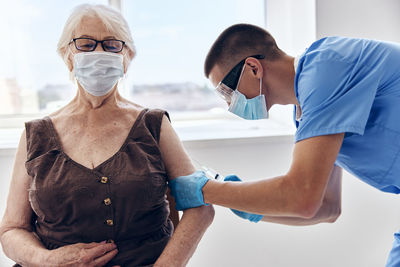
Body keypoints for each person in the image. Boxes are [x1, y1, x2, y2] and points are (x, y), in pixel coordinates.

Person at [168, 23, 400, 266]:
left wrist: (206, 190)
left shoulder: (326, 67)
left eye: (227, 92)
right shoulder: (306, 114)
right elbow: (325, 207)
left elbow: (302, 196)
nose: (229, 104)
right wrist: (252, 209)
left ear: (253, 67)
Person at [0, 4, 214, 267]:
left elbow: (199, 207)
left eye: (112, 45)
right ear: (66, 55)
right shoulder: (36, 135)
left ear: (128, 57)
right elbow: (12, 229)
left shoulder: (153, 124)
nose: (98, 52)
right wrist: (49, 260)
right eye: (86, 44)